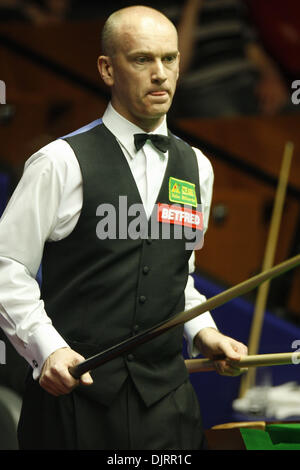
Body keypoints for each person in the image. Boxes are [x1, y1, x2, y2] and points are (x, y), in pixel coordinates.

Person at [0, 5, 247, 450]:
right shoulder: (60, 162)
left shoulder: (199, 168)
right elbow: (7, 265)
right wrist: (45, 347)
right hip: (76, 400)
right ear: (107, 69)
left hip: (166, 405)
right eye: (142, 59)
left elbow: (177, 275)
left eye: (169, 59)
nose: (160, 73)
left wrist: (204, 332)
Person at [172, 0, 291, 118]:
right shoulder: (162, 8)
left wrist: (272, 77)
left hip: (249, 83)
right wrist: (192, 6)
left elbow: (252, 48)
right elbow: (177, 66)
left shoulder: (230, 3)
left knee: (292, 110)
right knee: (235, 123)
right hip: (204, 89)